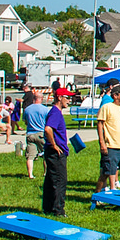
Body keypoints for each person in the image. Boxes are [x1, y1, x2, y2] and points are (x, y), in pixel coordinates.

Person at [95, 83, 120, 194]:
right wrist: (102, 143)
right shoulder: (106, 107)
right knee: (106, 172)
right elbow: (100, 124)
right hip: (111, 145)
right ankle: (97, 196)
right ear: (115, 95)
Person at [40, 88, 69, 216]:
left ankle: (48, 207)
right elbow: (48, 129)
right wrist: (54, 145)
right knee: (59, 180)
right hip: (56, 153)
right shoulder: (55, 113)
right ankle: (58, 210)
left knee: (51, 180)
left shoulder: (56, 112)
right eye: (66, 98)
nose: (69, 100)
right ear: (59, 98)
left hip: (53, 152)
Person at [21, 85, 49, 179]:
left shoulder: (27, 109)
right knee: (46, 154)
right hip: (41, 133)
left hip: (30, 133)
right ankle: (45, 173)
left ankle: (30, 174)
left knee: (30, 156)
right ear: (41, 99)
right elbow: (48, 122)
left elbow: (25, 121)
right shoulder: (45, 109)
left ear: (33, 98)